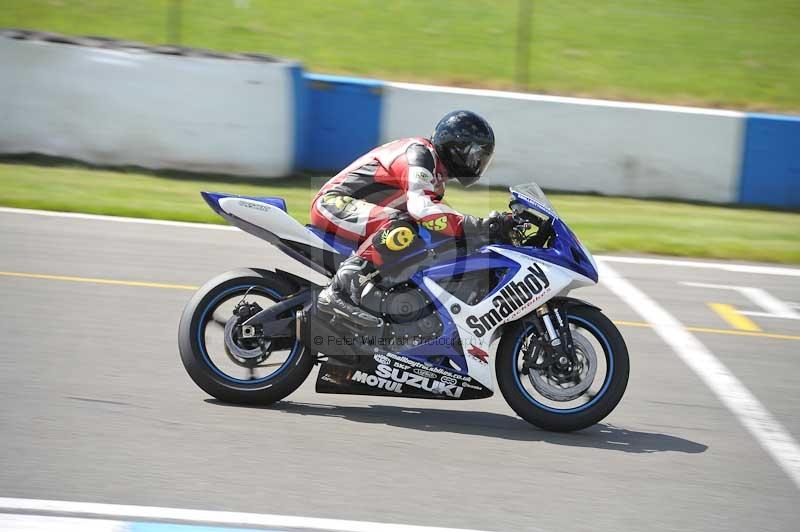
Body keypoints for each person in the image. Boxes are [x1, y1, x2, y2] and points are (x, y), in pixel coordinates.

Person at [310, 110, 511, 328]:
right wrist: (479, 226)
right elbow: (421, 208)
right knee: (402, 226)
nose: (477, 162)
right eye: (475, 154)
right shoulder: (420, 153)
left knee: (424, 242)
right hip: (333, 203)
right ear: (456, 147)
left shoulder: (435, 179)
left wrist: (482, 236)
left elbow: (438, 222)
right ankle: (340, 289)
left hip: (363, 217)